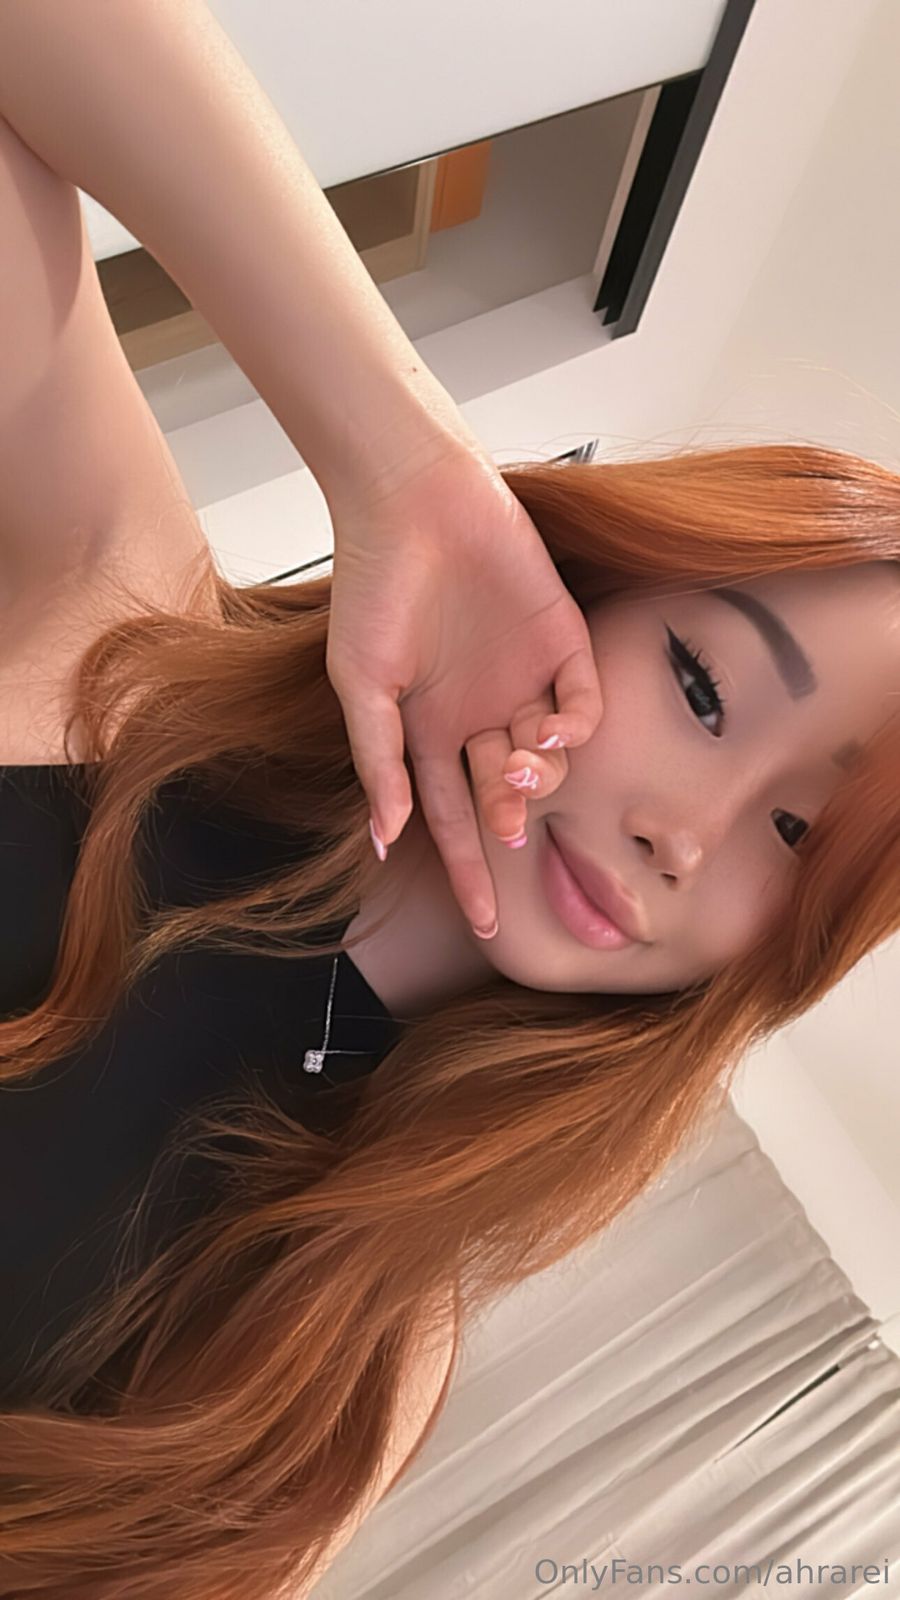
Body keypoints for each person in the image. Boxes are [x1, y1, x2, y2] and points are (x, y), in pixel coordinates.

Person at [0, 5, 897, 1600]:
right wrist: (408, 468)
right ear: (585, 590)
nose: (684, 837)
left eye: (792, 840)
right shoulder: (113, 633)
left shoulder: (354, 1352)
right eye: (703, 689)